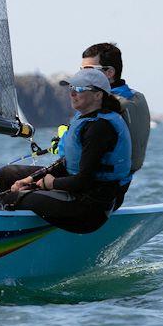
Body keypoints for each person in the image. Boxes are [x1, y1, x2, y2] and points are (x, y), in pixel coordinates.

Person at [0, 69, 131, 234]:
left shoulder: (100, 128)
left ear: (98, 95)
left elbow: (83, 181)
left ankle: (5, 239)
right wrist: (31, 179)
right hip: (75, 190)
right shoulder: (83, 120)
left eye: (80, 89)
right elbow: (66, 163)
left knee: (9, 198)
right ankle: (21, 226)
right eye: (71, 88)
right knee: (6, 175)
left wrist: (51, 184)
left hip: (89, 208)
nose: (73, 93)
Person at [50, 42, 150, 209]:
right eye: (81, 70)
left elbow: (70, 153)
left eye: (88, 69)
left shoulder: (102, 106)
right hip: (117, 188)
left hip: (95, 193)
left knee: (11, 178)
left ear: (109, 72)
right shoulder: (134, 98)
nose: (82, 74)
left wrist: (62, 141)